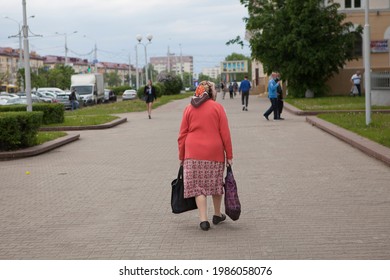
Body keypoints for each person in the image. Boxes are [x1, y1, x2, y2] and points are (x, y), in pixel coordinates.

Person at [178, 81, 233, 231]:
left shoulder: (188, 108)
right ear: (210, 93)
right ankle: (217, 214)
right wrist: (229, 154)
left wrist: (181, 155)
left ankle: (203, 220)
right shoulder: (218, 108)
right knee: (215, 184)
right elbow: (225, 133)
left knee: (198, 188)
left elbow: (182, 134)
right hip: (214, 152)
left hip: (192, 153)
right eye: (215, 90)